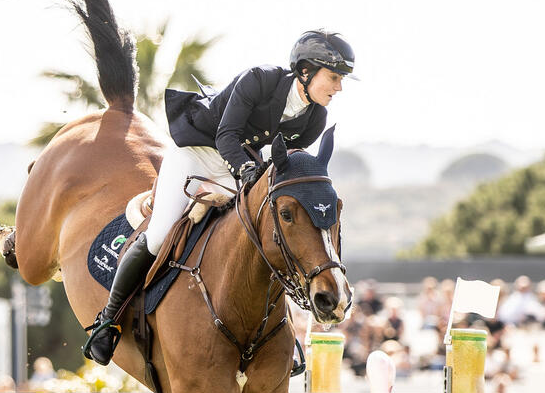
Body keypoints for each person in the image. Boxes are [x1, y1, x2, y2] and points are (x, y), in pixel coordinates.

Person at [81, 31, 354, 364]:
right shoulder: (260, 80)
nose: (339, 87)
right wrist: (247, 171)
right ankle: (108, 321)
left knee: (266, 240)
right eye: (334, 77)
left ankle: (280, 332)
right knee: (159, 235)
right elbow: (227, 136)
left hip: (237, 170)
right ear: (306, 71)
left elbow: (285, 164)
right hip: (197, 153)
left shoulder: (316, 118)